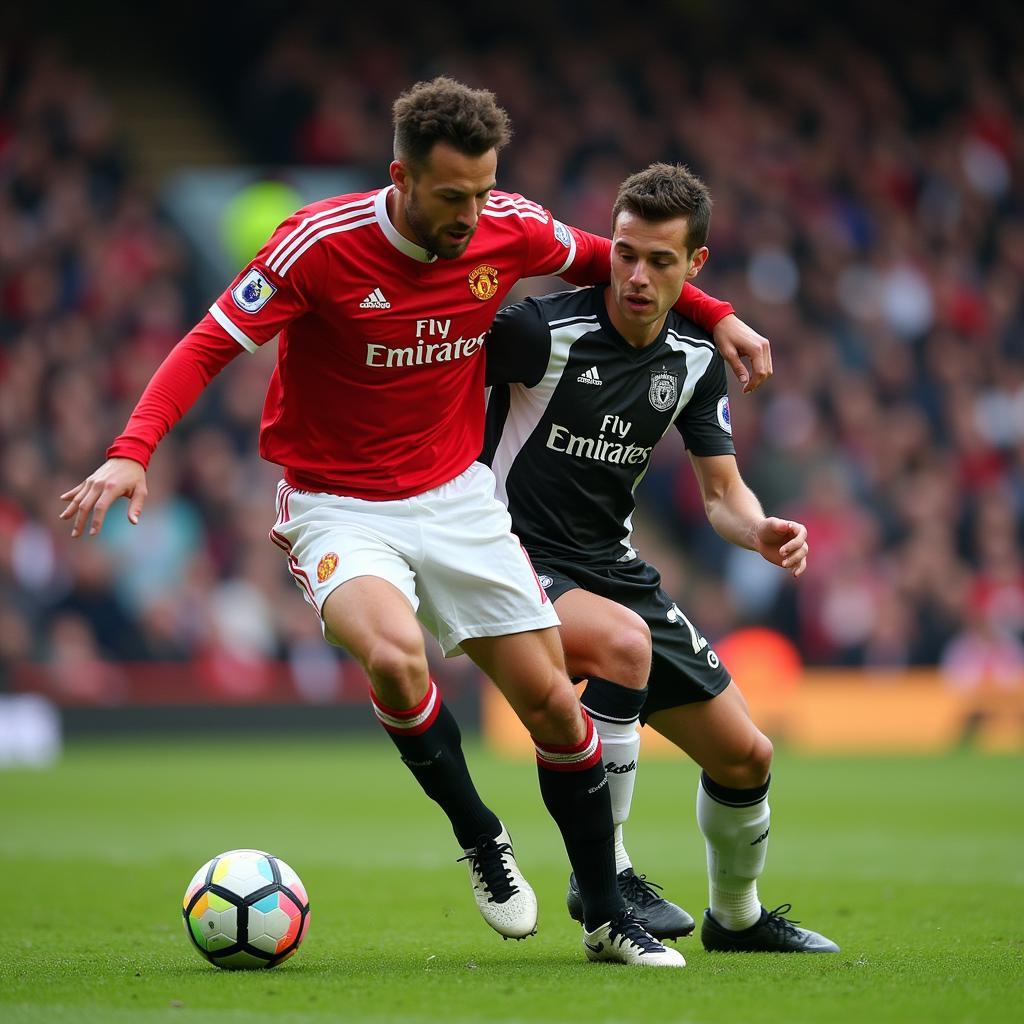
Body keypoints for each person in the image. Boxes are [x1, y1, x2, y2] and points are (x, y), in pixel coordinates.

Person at [59, 79, 768, 967]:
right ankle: (481, 837)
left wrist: (723, 316)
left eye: (482, 191)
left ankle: (605, 916)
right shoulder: (318, 245)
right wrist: (133, 448)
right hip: (335, 504)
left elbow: (615, 261)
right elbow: (208, 342)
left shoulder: (508, 224)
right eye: (450, 197)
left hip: (456, 499)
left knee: (553, 703)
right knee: (395, 657)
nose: (472, 215)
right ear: (400, 177)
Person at [483, 162, 838, 953]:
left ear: (696, 266)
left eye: (660, 261)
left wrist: (760, 531)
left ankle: (735, 921)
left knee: (747, 755)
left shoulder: (694, 358)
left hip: (610, 563)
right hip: (507, 552)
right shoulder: (540, 332)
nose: (637, 276)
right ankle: (601, 874)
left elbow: (723, 495)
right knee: (621, 644)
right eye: (625, 254)